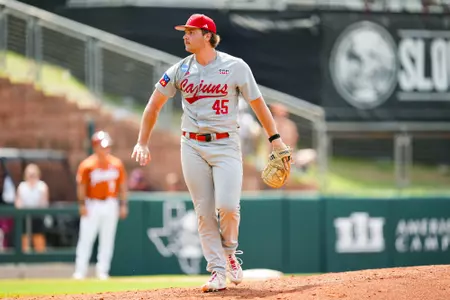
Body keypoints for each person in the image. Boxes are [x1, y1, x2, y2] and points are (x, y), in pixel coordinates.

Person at [131, 13, 288, 292]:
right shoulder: (179, 70)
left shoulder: (235, 67)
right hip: (191, 145)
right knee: (204, 212)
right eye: (185, 32)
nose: (184, 36)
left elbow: (258, 104)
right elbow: (153, 105)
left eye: (190, 31)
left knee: (227, 207)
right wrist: (142, 142)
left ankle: (229, 252)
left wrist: (274, 138)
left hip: (226, 144)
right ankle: (216, 271)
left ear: (207, 36)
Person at [72, 131, 128, 280]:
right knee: (86, 238)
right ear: (95, 146)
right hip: (93, 204)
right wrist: (82, 204)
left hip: (110, 203)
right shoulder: (87, 165)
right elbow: (81, 186)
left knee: (107, 239)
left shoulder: (116, 164)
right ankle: (80, 271)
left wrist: (123, 204)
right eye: (103, 146)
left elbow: (122, 186)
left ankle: (103, 270)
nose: (106, 149)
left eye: (108, 146)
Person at [15, 163, 49, 253]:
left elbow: (43, 202)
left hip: (38, 216)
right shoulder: (21, 186)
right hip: (24, 216)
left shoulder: (42, 186)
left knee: (38, 237)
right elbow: (18, 201)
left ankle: (40, 257)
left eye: (33, 174)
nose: (31, 176)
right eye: (29, 174)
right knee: (24, 238)